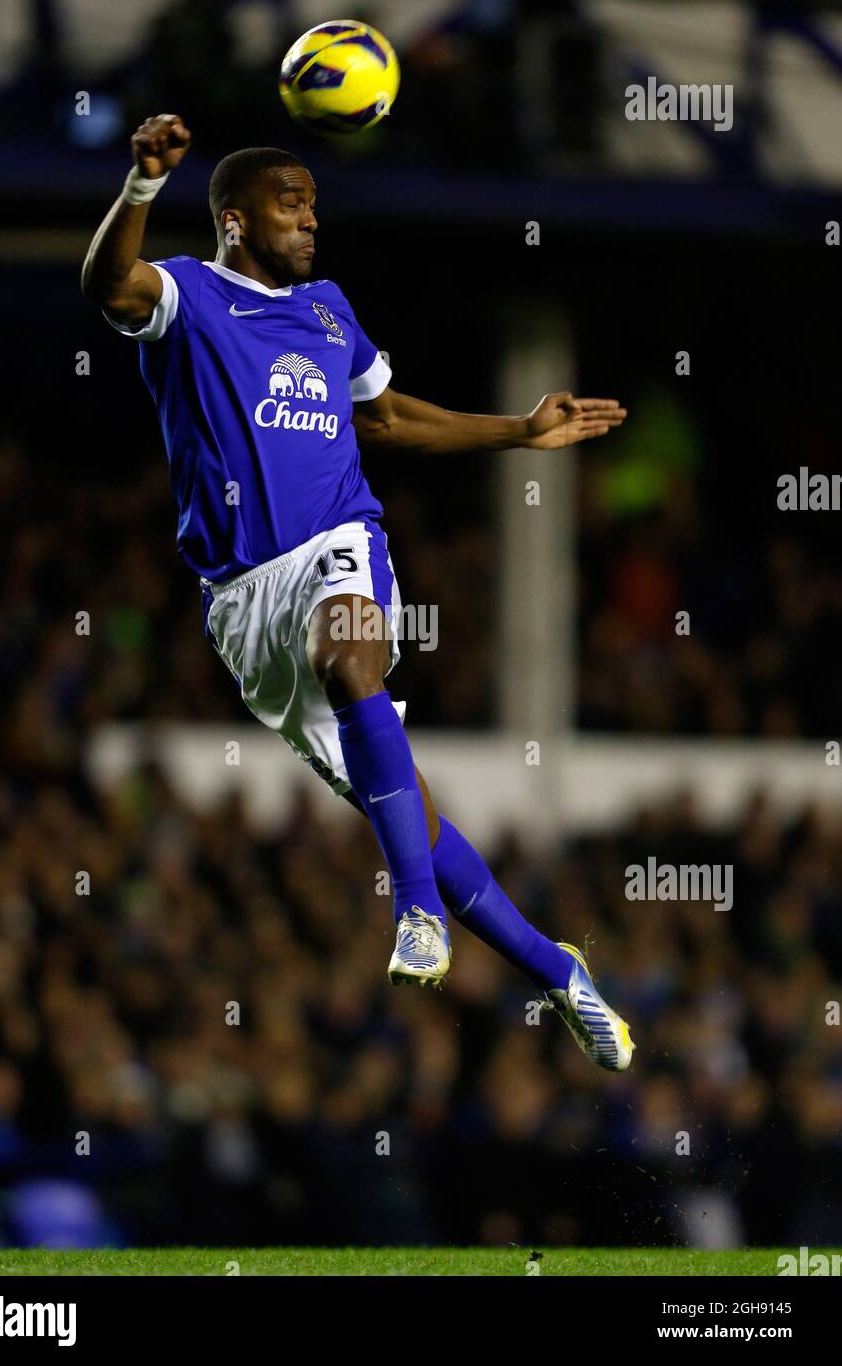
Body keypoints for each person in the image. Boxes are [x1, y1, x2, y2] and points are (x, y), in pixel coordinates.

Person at [81, 114, 634, 1070]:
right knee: (408, 810)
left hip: (340, 541)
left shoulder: (330, 307)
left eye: (313, 206)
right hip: (241, 601)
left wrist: (517, 431)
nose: (309, 222)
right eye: (289, 206)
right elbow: (107, 286)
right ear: (234, 222)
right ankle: (555, 968)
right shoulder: (190, 294)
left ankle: (415, 911)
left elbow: (381, 419)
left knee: (350, 655)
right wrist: (138, 186)